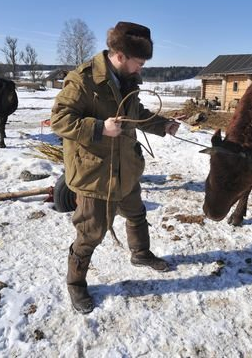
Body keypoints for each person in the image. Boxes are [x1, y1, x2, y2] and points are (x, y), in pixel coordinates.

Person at [50, 21, 180, 314]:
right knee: (91, 232)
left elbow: (137, 114)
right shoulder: (82, 80)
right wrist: (98, 127)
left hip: (127, 167)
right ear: (120, 56)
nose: (141, 70)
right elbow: (59, 120)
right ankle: (76, 284)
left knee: (136, 213)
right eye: (139, 63)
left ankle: (141, 253)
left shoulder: (127, 80)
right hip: (94, 175)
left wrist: (164, 125)